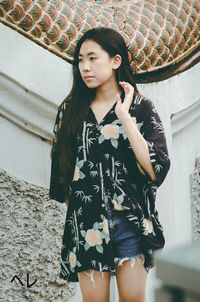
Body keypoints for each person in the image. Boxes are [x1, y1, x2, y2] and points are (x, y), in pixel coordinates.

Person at [49, 27, 170, 302]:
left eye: (93, 58)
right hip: (87, 225)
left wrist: (124, 118)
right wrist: (87, 213)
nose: (84, 67)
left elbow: (156, 170)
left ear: (116, 61)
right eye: (80, 60)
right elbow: (63, 178)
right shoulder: (69, 112)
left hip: (130, 224)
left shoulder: (141, 109)